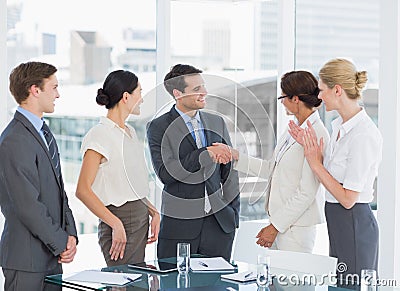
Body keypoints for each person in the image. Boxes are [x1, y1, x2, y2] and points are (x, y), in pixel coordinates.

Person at [288, 59, 382, 281]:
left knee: (353, 286)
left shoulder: (363, 135)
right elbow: (332, 178)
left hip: (354, 222)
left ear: (337, 90)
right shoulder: (338, 127)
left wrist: (315, 163)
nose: (318, 96)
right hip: (339, 222)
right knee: (340, 286)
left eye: (321, 90)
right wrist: (312, 152)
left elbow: (348, 198)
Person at [225, 71, 329, 253]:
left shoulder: (316, 134)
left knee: (290, 280)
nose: (281, 102)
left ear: (295, 99)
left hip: (295, 229)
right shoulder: (292, 130)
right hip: (280, 222)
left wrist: (275, 227)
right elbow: (270, 169)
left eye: (283, 97)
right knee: (275, 280)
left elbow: (306, 192)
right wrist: (236, 156)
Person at [147, 64, 240, 261]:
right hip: (179, 227)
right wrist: (206, 153)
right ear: (178, 93)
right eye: (197, 89)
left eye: (203, 87)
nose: (204, 92)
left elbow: (230, 172)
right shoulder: (158, 127)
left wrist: (232, 213)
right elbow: (166, 173)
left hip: (220, 225)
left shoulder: (217, 122)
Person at [0, 61, 78, 291]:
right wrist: (62, 241)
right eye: (53, 87)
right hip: (27, 259)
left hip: (51, 256)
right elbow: (27, 205)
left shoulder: (43, 132)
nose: (58, 94)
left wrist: (71, 234)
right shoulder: (14, 139)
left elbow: (58, 191)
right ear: (35, 90)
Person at [75, 70, 160, 267]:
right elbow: (82, 190)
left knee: (137, 283)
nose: (142, 99)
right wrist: (115, 223)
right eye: (140, 92)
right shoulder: (99, 134)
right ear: (126, 97)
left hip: (139, 221)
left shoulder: (129, 132)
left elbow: (130, 186)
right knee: (124, 284)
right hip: (120, 222)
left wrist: (153, 211)